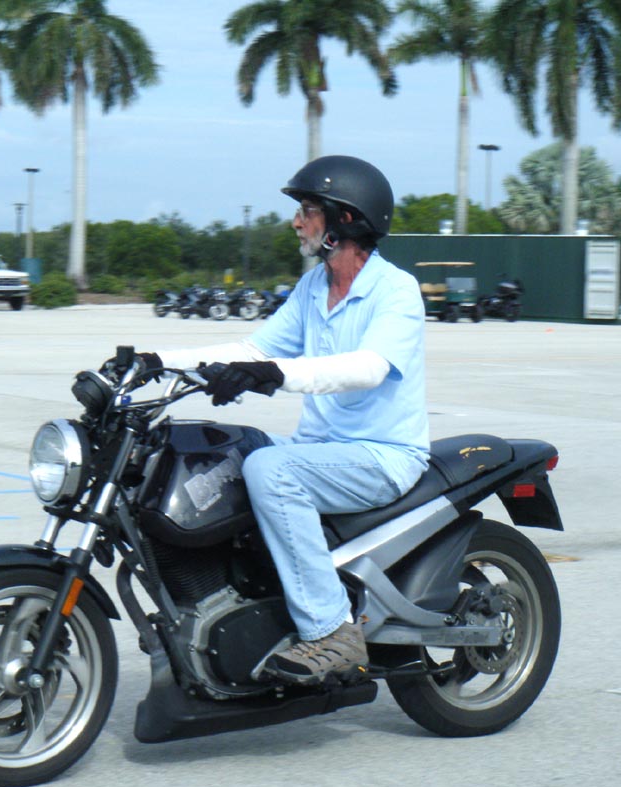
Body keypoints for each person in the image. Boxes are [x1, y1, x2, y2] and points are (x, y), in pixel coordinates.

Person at [133, 155, 429, 686]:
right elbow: (253, 348)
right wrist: (155, 361)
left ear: (345, 219)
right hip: (319, 448)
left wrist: (272, 375)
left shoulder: (396, 290)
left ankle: (332, 630)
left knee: (269, 470)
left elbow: (368, 368)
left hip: (382, 456)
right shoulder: (314, 288)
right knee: (214, 452)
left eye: (308, 210)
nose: (296, 222)